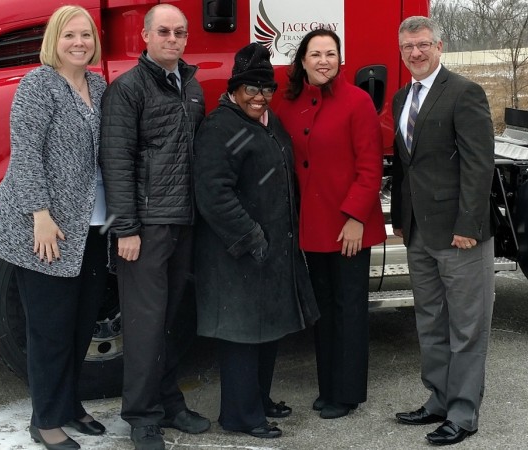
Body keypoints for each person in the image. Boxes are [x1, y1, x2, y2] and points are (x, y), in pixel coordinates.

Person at [0, 5, 108, 450]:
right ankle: (45, 419)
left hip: (92, 226)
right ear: (53, 40)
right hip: (47, 228)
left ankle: (70, 405)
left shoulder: (97, 85)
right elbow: (25, 154)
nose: (80, 43)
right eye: (70, 35)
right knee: (49, 328)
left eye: (87, 35)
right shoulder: (38, 85)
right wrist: (40, 215)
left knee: (80, 324)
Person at [192, 42, 319, 439]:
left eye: (267, 90)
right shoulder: (220, 127)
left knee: (267, 330)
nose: (260, 98)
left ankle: (259, 401)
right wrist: (249, 235)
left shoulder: (269, 122)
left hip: (271, 250)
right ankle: (239, 416)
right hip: (237, 253)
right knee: (242, 336)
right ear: (234, 89)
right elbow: (213, 192)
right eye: (251, 89)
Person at [99, 4, 210, 450]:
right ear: (144, 36)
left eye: (179, 32)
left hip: (184, 221)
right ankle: (142, 417)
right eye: (163, 31)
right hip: (145, 228)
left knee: (170, 320)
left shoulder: (193, 87)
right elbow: (116, 160)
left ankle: (168, 401)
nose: (173, 39)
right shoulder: (128, 90)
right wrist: (126, 228)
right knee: (144, 327)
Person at [390, 16, 495, 446]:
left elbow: (478, 163)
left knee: (467, 326)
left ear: (440, 45)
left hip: (459, 235)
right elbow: (404, 165)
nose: (415, 53)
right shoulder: (400, 98)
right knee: (430, 321)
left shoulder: (464, 92)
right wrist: (400, 218)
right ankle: (438, 398)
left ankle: (463, 412)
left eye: (423, 45)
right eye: (407, 47)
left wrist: (469, 225)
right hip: (418, 233)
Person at [277, 29, 386, 420]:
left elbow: (370, 166)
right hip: (313, 228)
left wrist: (356, 217)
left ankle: (348, 393)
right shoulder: (287, 104)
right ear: (302, 60)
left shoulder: (357, 102)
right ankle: (328, 389)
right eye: (315, 54)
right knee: (323, 309)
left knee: (350, 309)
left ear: (340, 58)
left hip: (348, 228)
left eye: (331, 54)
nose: (324, 60)